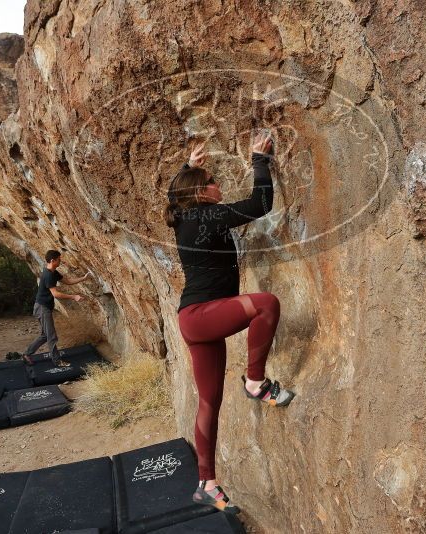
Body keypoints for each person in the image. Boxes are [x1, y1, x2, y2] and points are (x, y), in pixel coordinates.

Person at [164, 132, 295, 514]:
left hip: (198, 319)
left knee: (209, 401)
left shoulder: (185, 216)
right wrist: (259, 159)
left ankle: (207, 483)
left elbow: (175, 195)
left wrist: (189, 166)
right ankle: (255, 382)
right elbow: (261, 203)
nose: (219, 185)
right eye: (213, 182)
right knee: (266, 304)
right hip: (202, 316)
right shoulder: (207, 214)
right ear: (203, 193)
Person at [21, 250, 88, 367]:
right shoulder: (48, 275)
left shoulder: (53, 272)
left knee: (45, 335)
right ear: (53, 260)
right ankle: (57, 361)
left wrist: (83, 278)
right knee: (51, 335)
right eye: (59, 259)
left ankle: (27, 354)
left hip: (42, 307)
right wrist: (74, 297)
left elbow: (67, 281)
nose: (60, 260)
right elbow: (55, 294)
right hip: (42, 308)